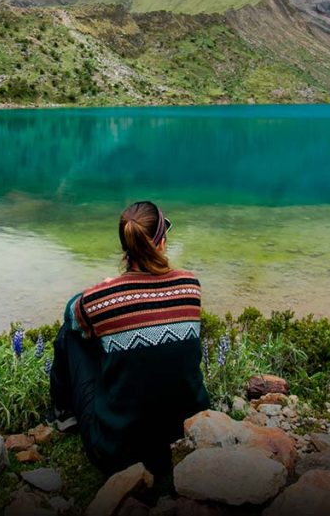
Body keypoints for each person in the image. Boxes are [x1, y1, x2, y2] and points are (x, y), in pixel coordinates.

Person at [48, 201, 210, 480]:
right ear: (161, 242)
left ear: (126, 245)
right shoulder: (190, 285)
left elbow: (71, 316)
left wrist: (102, 289)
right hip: (184, 435)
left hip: (118, 451)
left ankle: (62, 413)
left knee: (71, 336)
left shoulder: (101, 298)